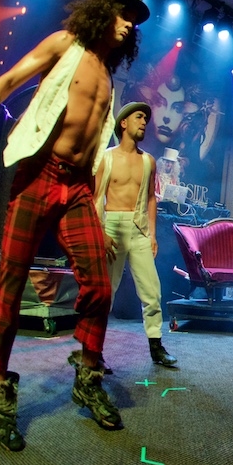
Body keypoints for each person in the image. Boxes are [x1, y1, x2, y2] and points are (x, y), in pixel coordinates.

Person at [0, 0, 149, 450]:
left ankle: (88, 377)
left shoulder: (110, 78)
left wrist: (95, 205)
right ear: (102, 9)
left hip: (78, 187)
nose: (128, 23)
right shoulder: (65, 44)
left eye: (134, 18)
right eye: (122, 12)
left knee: (99, 284)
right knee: (11, 282)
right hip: (40, 173)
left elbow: (93, 148)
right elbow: (9, 81)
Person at [93, 102, 178, 370]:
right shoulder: (106, 158)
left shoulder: (148, 161)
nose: (144, 122)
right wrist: (101, 232)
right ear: (123, 123)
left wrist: (152, 234)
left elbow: (151, 198)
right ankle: (94, 351)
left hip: (139, 227)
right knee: (106, 292)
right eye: (139, 117)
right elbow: (96, 198)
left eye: (145, 119)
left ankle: (156, 347)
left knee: (151, 290)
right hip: (112, 227)